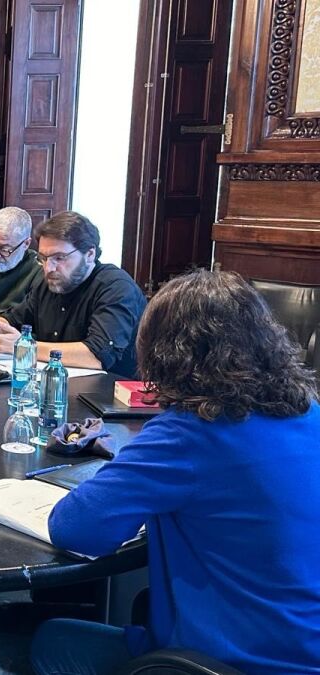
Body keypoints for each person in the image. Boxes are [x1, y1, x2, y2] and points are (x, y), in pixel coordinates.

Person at [30, 270, 320, 675]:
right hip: (304, 649)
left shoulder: (189, 432)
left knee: (53, 639)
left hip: (239, 661)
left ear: (163, 354)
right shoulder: (308, 412)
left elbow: (75, 529)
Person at [0, 211, 145, 377]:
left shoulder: (116, 287)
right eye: (43, 258)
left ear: (89, 254)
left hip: (111, 390)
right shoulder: (48, 282)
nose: (48, 268)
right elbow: (15, 319)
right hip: (54, 382)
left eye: (59, 258)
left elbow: (98, 355)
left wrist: (25, 348)